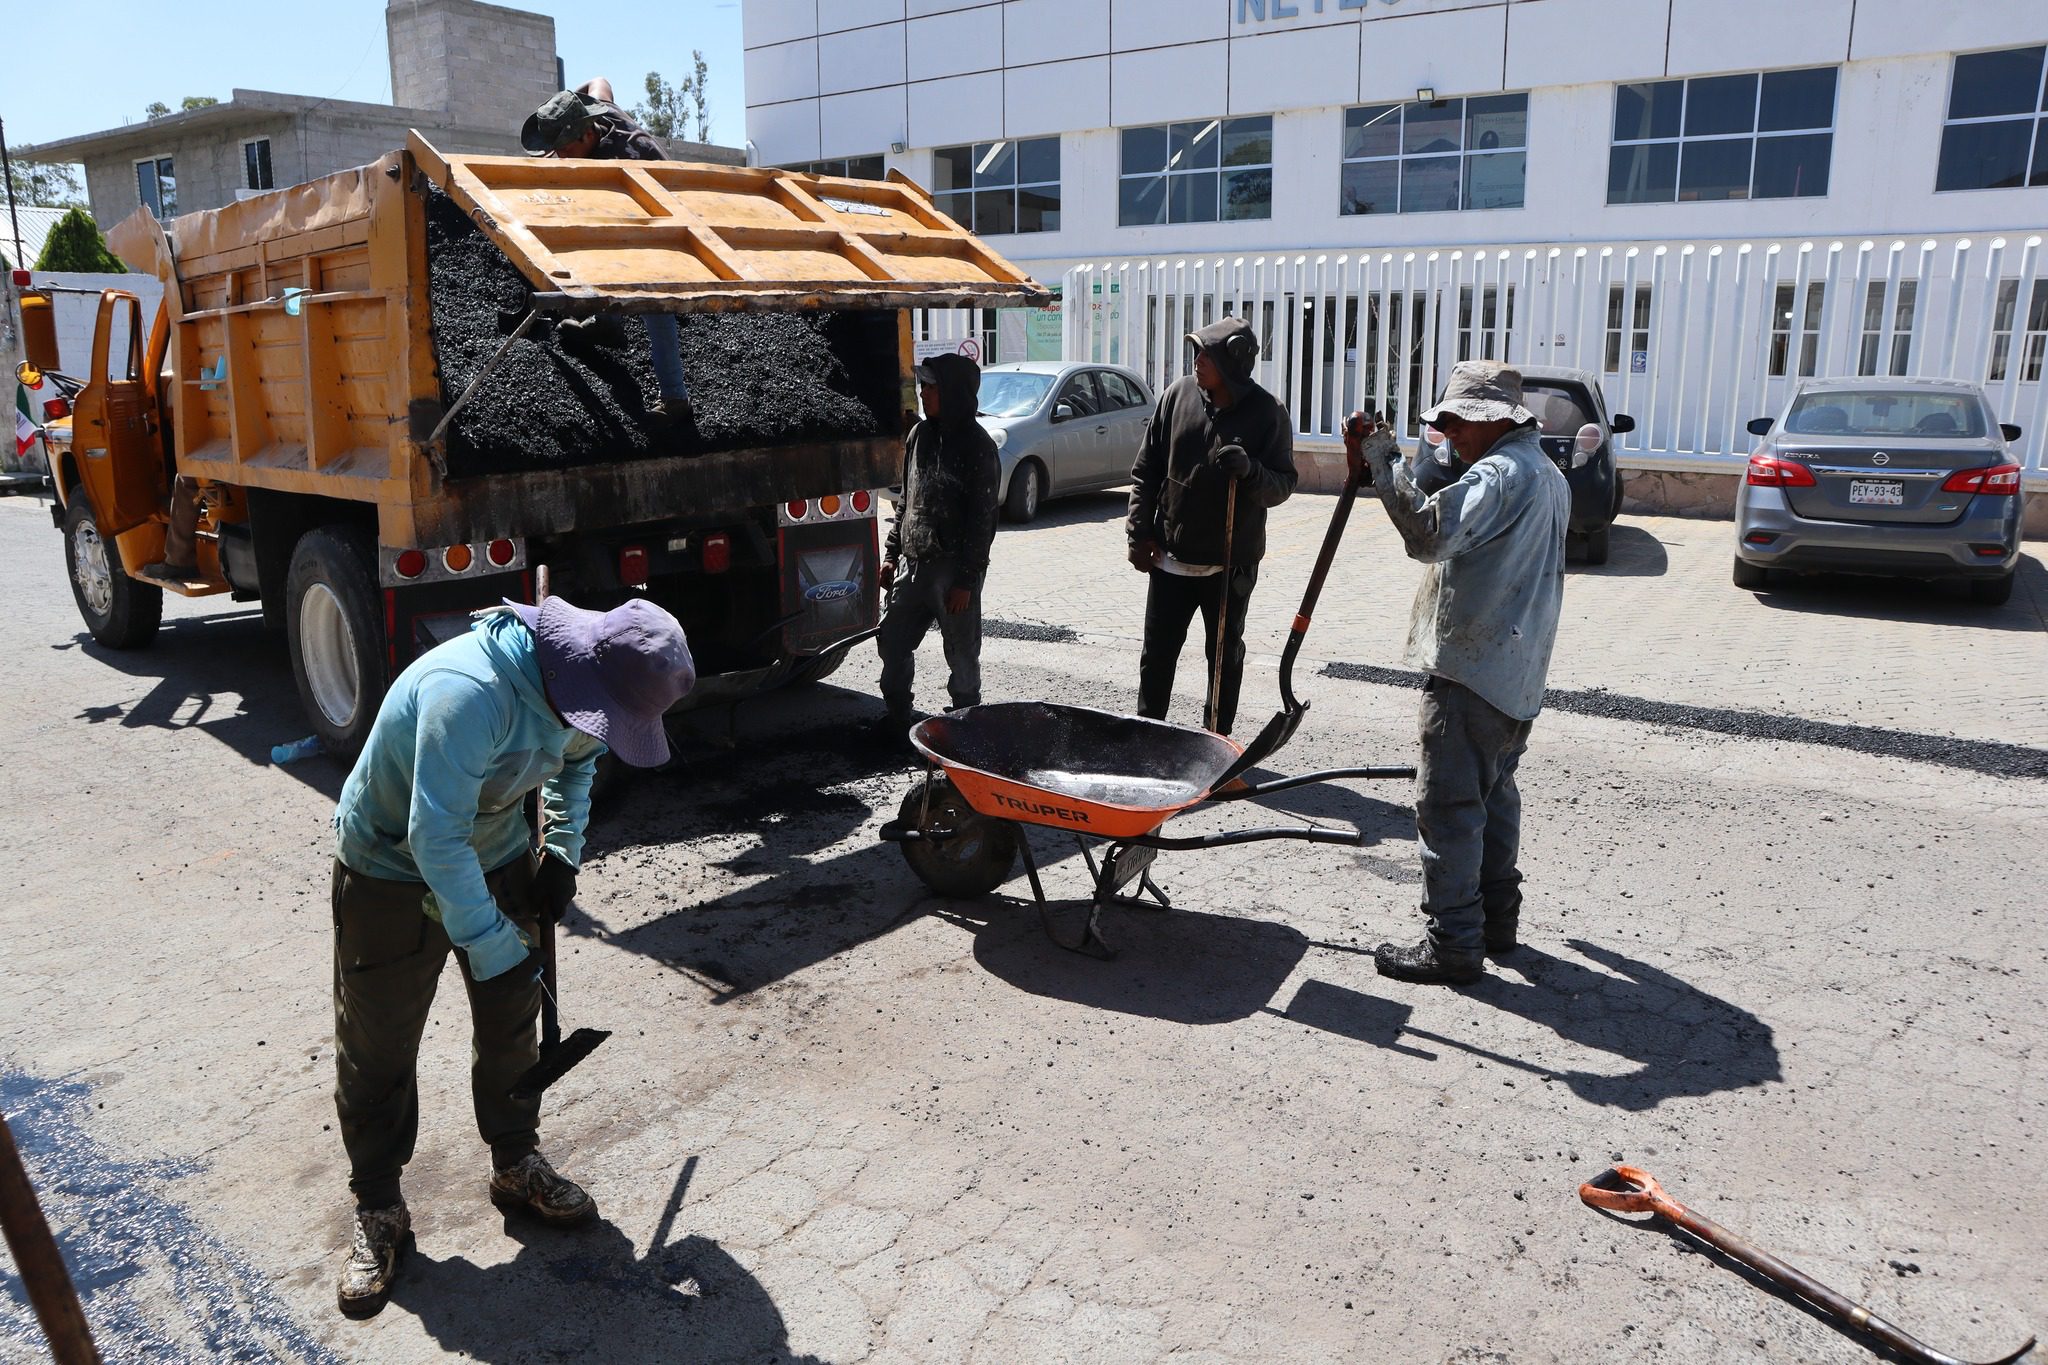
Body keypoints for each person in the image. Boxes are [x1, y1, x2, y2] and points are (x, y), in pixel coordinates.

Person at [328, 595, 695, 1317]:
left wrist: (561, 850)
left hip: (495, 848)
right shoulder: (468, 696)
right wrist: (493, 941)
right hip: (389, 864)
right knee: (379, 1043)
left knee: (511, 1020)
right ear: (579, 674)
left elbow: (577, 762)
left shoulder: (589, 689)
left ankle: (514, 1160)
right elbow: (434, 840)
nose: (600, 731)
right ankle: (378, 1206)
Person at [1344, 360, 1571, 986]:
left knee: (1448, 808)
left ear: (1499, 418)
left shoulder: (1502, 473)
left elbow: (1429, 531)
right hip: (1516, 675)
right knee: (1493, 799)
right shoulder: (1546, 474)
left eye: (1461, 424)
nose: (1453, 437)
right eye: (1447, 426)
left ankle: (1453, 944)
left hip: (1474, 673)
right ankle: (1497, 922)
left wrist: (1382, 458)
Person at [1126, 317, 1297, 734]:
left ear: (1233, 362)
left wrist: (1252, 471)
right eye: (1197, 352)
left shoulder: (1267, 413)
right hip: (1168, 559)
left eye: (1207, 354)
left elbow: (1283, 485)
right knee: (1157, 653)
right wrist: (1138, 533)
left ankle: (1215, 744)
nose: (1197, 361)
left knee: (1223, 656)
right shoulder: (1177, 396)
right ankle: (1148, 736)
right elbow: (1146, 471)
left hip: (1228, 566)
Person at [521, 81, 692, 428]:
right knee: (593, 247)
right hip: (622, 210)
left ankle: (676, 400)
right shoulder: (600, 110)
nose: (560, 158)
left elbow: (648, 223)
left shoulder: (630, 159)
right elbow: (599, 81)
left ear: (585, 137)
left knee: (652, 301)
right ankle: (607, 325)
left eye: (564, 150)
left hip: (660, 218)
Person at [875, 352, 1001, 732]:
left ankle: (965, 726)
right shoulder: (919, 436)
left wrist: (965, 580)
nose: (923, 392)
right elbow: (906, 502)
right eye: (923, 385)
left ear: (953, 392)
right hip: (913, 565)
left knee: (962, 654)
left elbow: (984, 522)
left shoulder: (978, 447)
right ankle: (897, 718)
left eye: (931, 387)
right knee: (892, 641)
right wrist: (891, 554)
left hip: (953, 573)